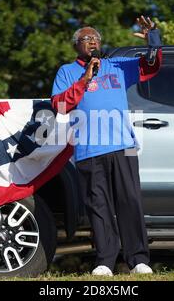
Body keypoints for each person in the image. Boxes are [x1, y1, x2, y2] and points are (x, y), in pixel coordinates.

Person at [51, 16, 162, 276]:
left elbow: (151, 67)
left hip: (123, 145)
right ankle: (105, 261)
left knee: (130, 201)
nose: (92, 41)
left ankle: (138, 260)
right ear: (76, 46)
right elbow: (59, 106)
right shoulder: (67, 71)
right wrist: (84, 79)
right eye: (85, 39)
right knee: (98, 206)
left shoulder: (118, 66)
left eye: (95, 38)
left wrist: (153, 41)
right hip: (89, 150)